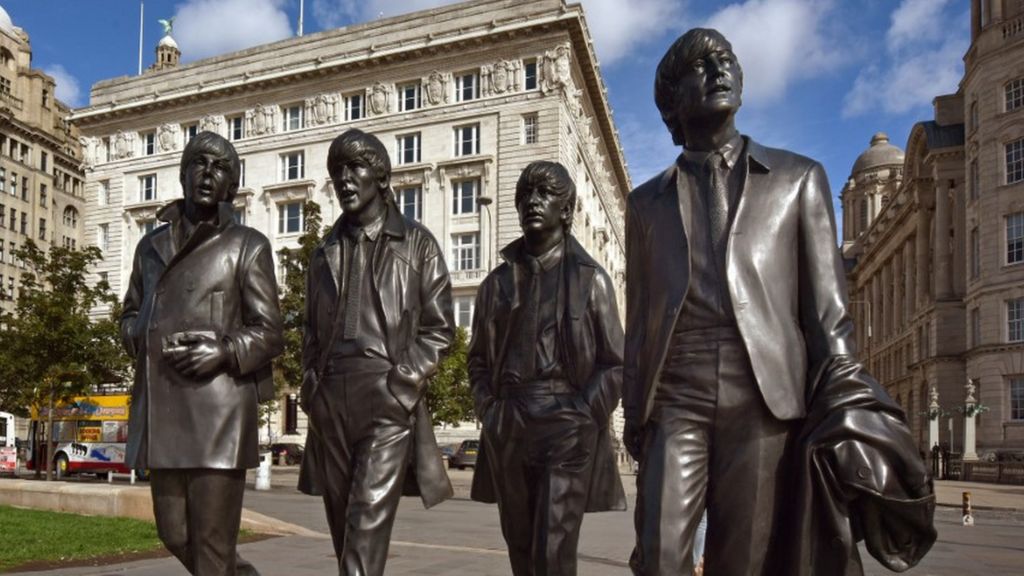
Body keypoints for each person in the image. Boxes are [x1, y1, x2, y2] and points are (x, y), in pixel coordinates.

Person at [623, 29, 935, 575]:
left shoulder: (799, 178)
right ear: (672, 96)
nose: (721, 71)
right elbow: (640, 318)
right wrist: (634, 410)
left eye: (729, 61)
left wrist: (845, 401)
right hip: (676, 392)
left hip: (766, 397)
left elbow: (827, 312)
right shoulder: (644, 203)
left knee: (744, 561)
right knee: (659, 555)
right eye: (702, 64)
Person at [121, 131, 283, 576]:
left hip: (218, 413)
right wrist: (139, 334)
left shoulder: (247, 245)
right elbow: (130, 313)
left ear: (231, 186)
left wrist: (224, 350)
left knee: (212, 547)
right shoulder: (149, 246)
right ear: (182, 173)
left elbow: (270, 332)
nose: (207, 174)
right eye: (199, 163)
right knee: (173, 533)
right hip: (164, 409)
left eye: (220, 168)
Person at [297, 128, 454, 576]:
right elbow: (309, 328)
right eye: (337, 171)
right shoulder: (322, 252)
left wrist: (403, 382)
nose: (345, 179)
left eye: (355, 167)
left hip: (385, 394)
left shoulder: (418, 244)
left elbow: (439, 329)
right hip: (330, 399)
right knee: (343, 530)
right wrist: (311, 387)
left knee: (364, 529)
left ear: (381, 177)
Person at [469, 161, 626, 576]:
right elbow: (478, 361)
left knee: (553, 548)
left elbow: (615, 363)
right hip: (510, 420)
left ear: (568, 210)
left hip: (566, 418)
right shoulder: (496, 284)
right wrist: (490, 410)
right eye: (526, 194)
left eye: (545, 193)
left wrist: (583, 412)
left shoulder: (591, 280)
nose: (533, 201)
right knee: (520, 547)